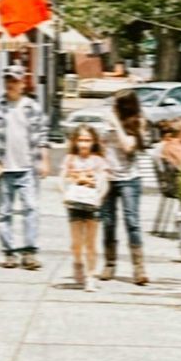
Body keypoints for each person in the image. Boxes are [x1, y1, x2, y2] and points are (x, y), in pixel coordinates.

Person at [0, 60, 49, 268]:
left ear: (23, 83)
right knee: (4, 212)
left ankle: (29, 252)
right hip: (3, 168)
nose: (11, 84)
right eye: (8, 80)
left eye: (15, 80)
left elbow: (41, 137)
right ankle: (10, 252)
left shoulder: (32, 107)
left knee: (31, 208)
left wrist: (44, 161)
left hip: (27, 167)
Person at [99, 91, 150, 285]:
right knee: (108, 222)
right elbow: (103, 146)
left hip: (129, 178)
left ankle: (139, 268)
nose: (112, 107)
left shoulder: (138, 122)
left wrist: (116, 124)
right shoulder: (108, 121)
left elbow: (128, 147)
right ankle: (110, 263)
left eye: (116, 104)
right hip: (109, 178)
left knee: (132, 222)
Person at [59, 123, 110, 290]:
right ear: (74, 141)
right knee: (76, 243)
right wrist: (64, 194)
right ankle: (78, 262)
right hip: (75, 203)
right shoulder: (70, 160)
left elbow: (104, 181)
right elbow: (61, 179)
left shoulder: (98, 161)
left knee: (90, 243)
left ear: (93, 142)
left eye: (87, 140)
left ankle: (91, 275)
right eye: (80, 140)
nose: (84, 144)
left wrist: (100, 197)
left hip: (92, 204)